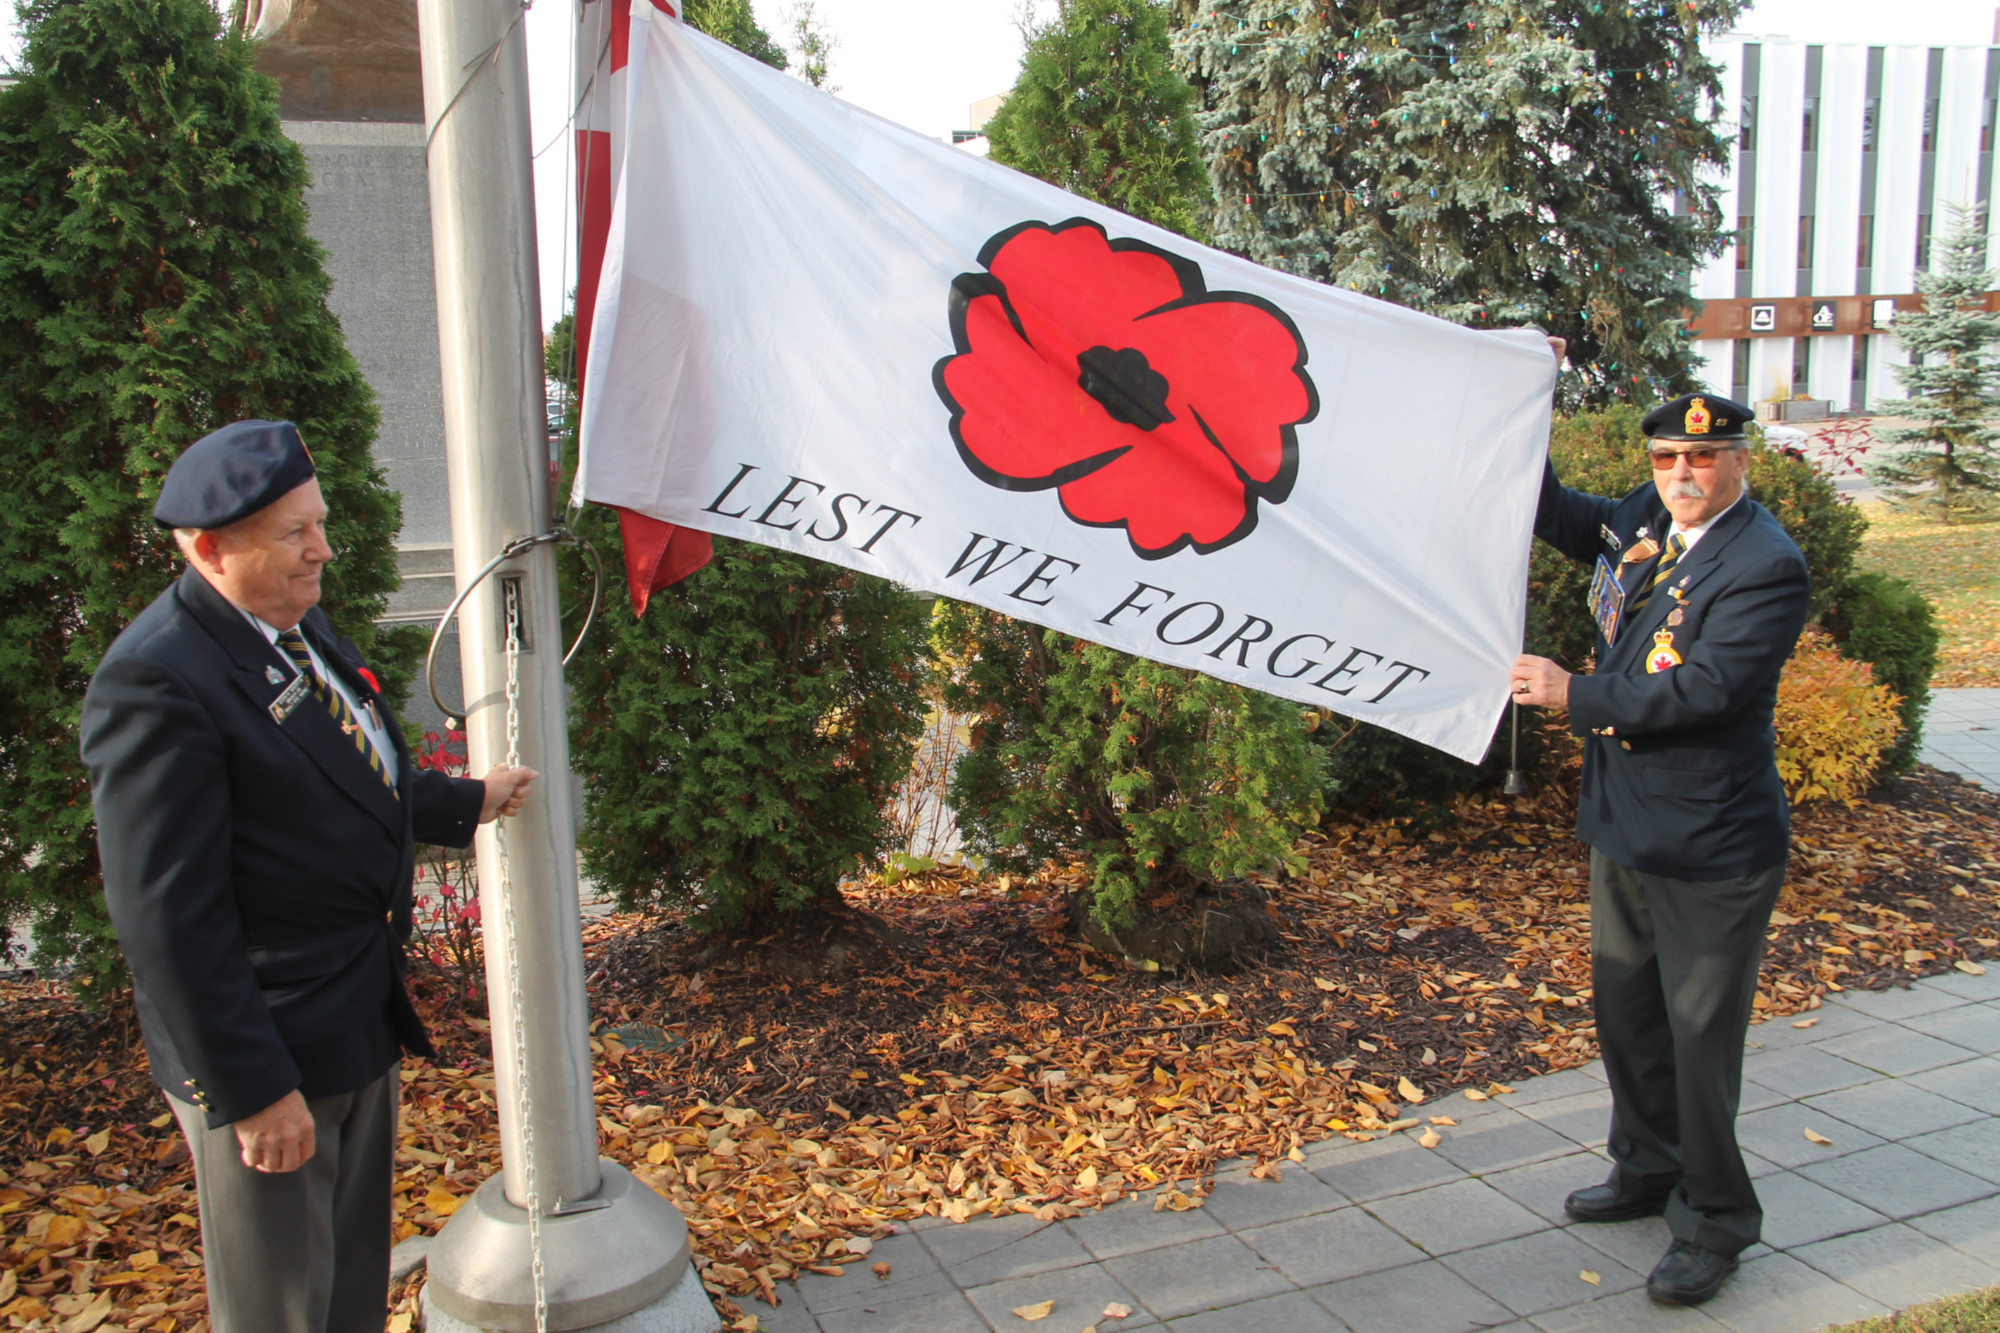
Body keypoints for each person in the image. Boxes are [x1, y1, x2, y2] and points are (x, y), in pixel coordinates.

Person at [80, 420, 539, 1333]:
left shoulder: (290, 623)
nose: (322, 550)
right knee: (282, 1304)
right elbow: (169, 917)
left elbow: (348, 774)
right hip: (268, 1045)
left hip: (349, 1012)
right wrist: (252, 1089)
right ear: (210, 548)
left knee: (348, 1278)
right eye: (295, 533)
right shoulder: (156, 680)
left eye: (318, 523)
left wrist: (464, 801)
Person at [1512, 389, 1810, 1306]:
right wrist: (1525, 396)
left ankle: (1715, 1217)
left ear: (1739, 462)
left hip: (1712, 842)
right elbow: (1553, 511)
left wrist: (1574, 695)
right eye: (1666, 458)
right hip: (1625, 822)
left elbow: (1706, 692)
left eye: (1702, 457)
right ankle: (1646, 1166)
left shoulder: (1765, 564)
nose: (1682, 473)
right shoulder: (1647, 518)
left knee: (1697, 1038)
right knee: (1629, 1014)